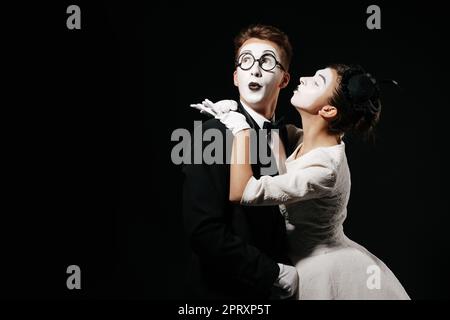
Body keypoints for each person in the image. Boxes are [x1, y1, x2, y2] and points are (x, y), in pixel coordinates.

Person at [193, 64, 411, 299]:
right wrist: (236, 110)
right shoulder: (300, 137)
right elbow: (269, 133)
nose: (304, 78)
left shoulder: (325, 168)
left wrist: (241, 129)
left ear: (327, 110)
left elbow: (244, 191)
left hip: (322, 267)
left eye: (317, 81)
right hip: (293, 259)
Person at [182, 24, 300, 299]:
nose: (255, 69)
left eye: (267, 61)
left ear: (284, 79)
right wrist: (275, 273)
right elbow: (204, 231)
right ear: (236, 77)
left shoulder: (288, 136)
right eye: (246, 61)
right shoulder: (212, 133)